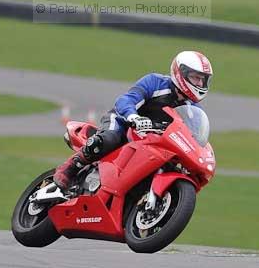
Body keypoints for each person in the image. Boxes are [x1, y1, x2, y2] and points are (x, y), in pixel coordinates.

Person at [53, 50, 213, 191]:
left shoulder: (192, 109)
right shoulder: (155, 82)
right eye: (195, 78)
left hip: (153, 141)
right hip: (124, 123)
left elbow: (192, 135)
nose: (199, 83)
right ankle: (70, 168)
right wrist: (133, 117)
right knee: (109, 139)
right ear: (181, 73)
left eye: (202, 79)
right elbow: (126, 100)